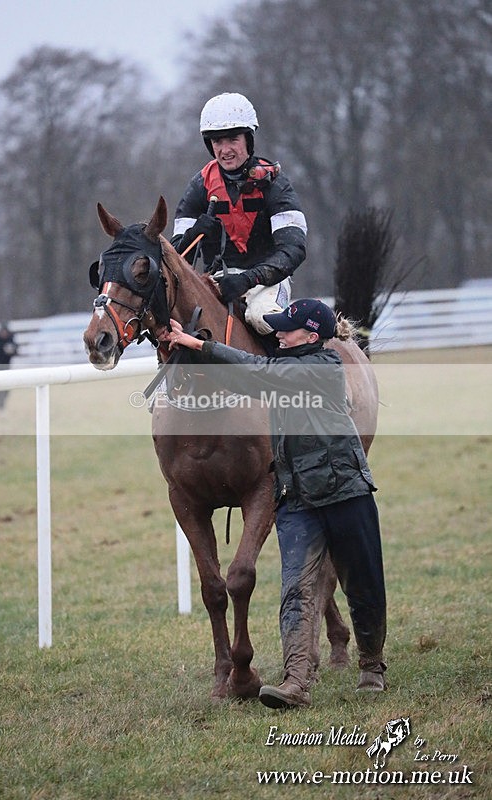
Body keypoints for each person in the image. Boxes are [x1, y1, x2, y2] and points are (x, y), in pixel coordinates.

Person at [158, 299, 387, 708]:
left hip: (344, 494)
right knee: (294, 591)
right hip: (297, 498)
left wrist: (203, 347)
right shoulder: (287, 367)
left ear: (312, 336)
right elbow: (248, 377)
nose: (277, 332)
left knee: (363, 584)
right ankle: (297, 681)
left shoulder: (321, 367)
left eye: (287, 328)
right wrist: (192, 346)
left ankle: (371, 664)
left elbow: (259, 372)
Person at [171, 92, 308, 336]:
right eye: (217, 142)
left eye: (232, 139)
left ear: (248, 139)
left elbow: (293, 249)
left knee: (260, 317)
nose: (225, 150)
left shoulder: (275, 184)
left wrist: (248, 279)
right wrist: (195, 234)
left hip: (267, 282)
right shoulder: (198, 186)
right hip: (215, 283)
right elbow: (176, 257)